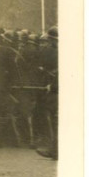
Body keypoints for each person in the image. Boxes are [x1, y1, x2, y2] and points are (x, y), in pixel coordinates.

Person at [35, 27, 59, 159]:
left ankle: (55, 151)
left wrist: (53, 85)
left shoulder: (53, 52)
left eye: (49, 40)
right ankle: (55, 149)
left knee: (54, 118)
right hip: (57, 86)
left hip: (56, 88)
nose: (48, 42)